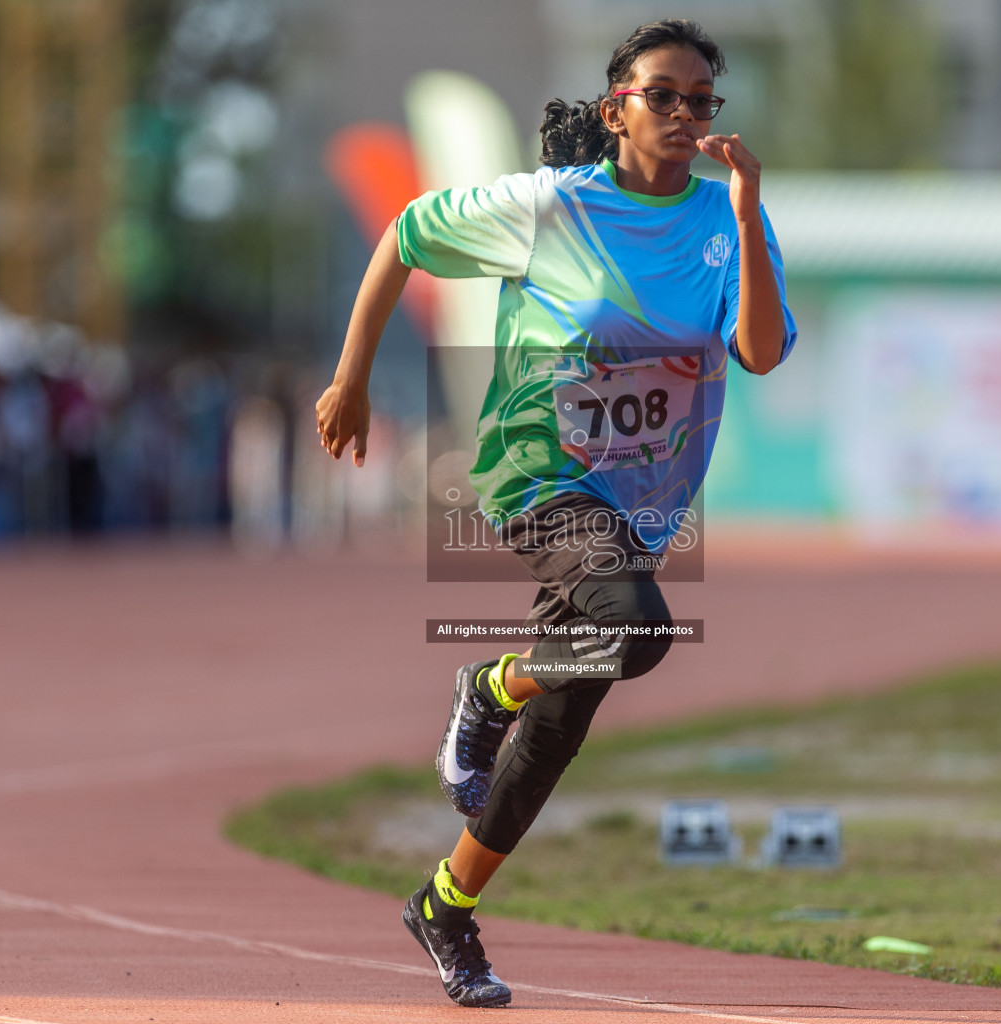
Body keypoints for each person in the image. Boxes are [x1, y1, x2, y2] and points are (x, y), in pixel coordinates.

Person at [315, 17, 797, 1008]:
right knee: (639, 628)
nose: (682, 113)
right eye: (662, 94)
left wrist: (748, 215)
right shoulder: (549, 207)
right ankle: (490, 684)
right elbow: (403, 235)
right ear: (617, 105)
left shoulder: (725, 221)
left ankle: (445, 907)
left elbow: (756, 351)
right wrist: (351, 380)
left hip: (642, 507)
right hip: (540, 475)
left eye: (701, 100)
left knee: (559, 731)